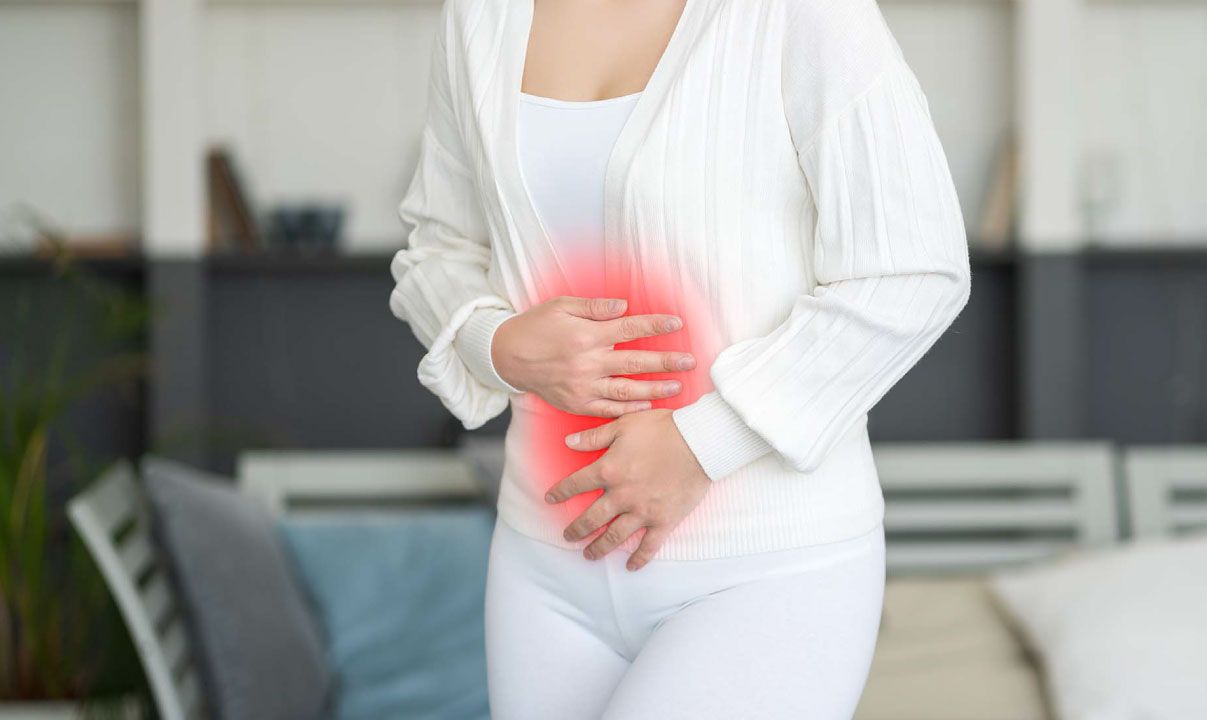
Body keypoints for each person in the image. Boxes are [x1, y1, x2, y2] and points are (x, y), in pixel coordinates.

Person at [389, 0, 971, 717]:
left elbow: (913, 269)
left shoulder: (806, 13)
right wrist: (496, 342)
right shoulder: (480, 15)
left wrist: (705, 442)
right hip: (542, 565)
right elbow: (438, 245)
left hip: (766, 570)